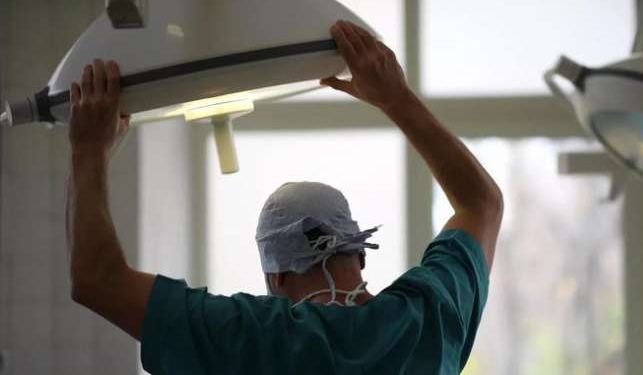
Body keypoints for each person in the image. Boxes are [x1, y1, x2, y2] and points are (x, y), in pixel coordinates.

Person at [66, 20, 503, 374]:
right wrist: (396, 98)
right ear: (359, 254)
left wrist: (89, 149)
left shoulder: (248, 336)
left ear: (275, 278)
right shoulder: (426, 320)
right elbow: (481, 203)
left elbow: (96, 281)